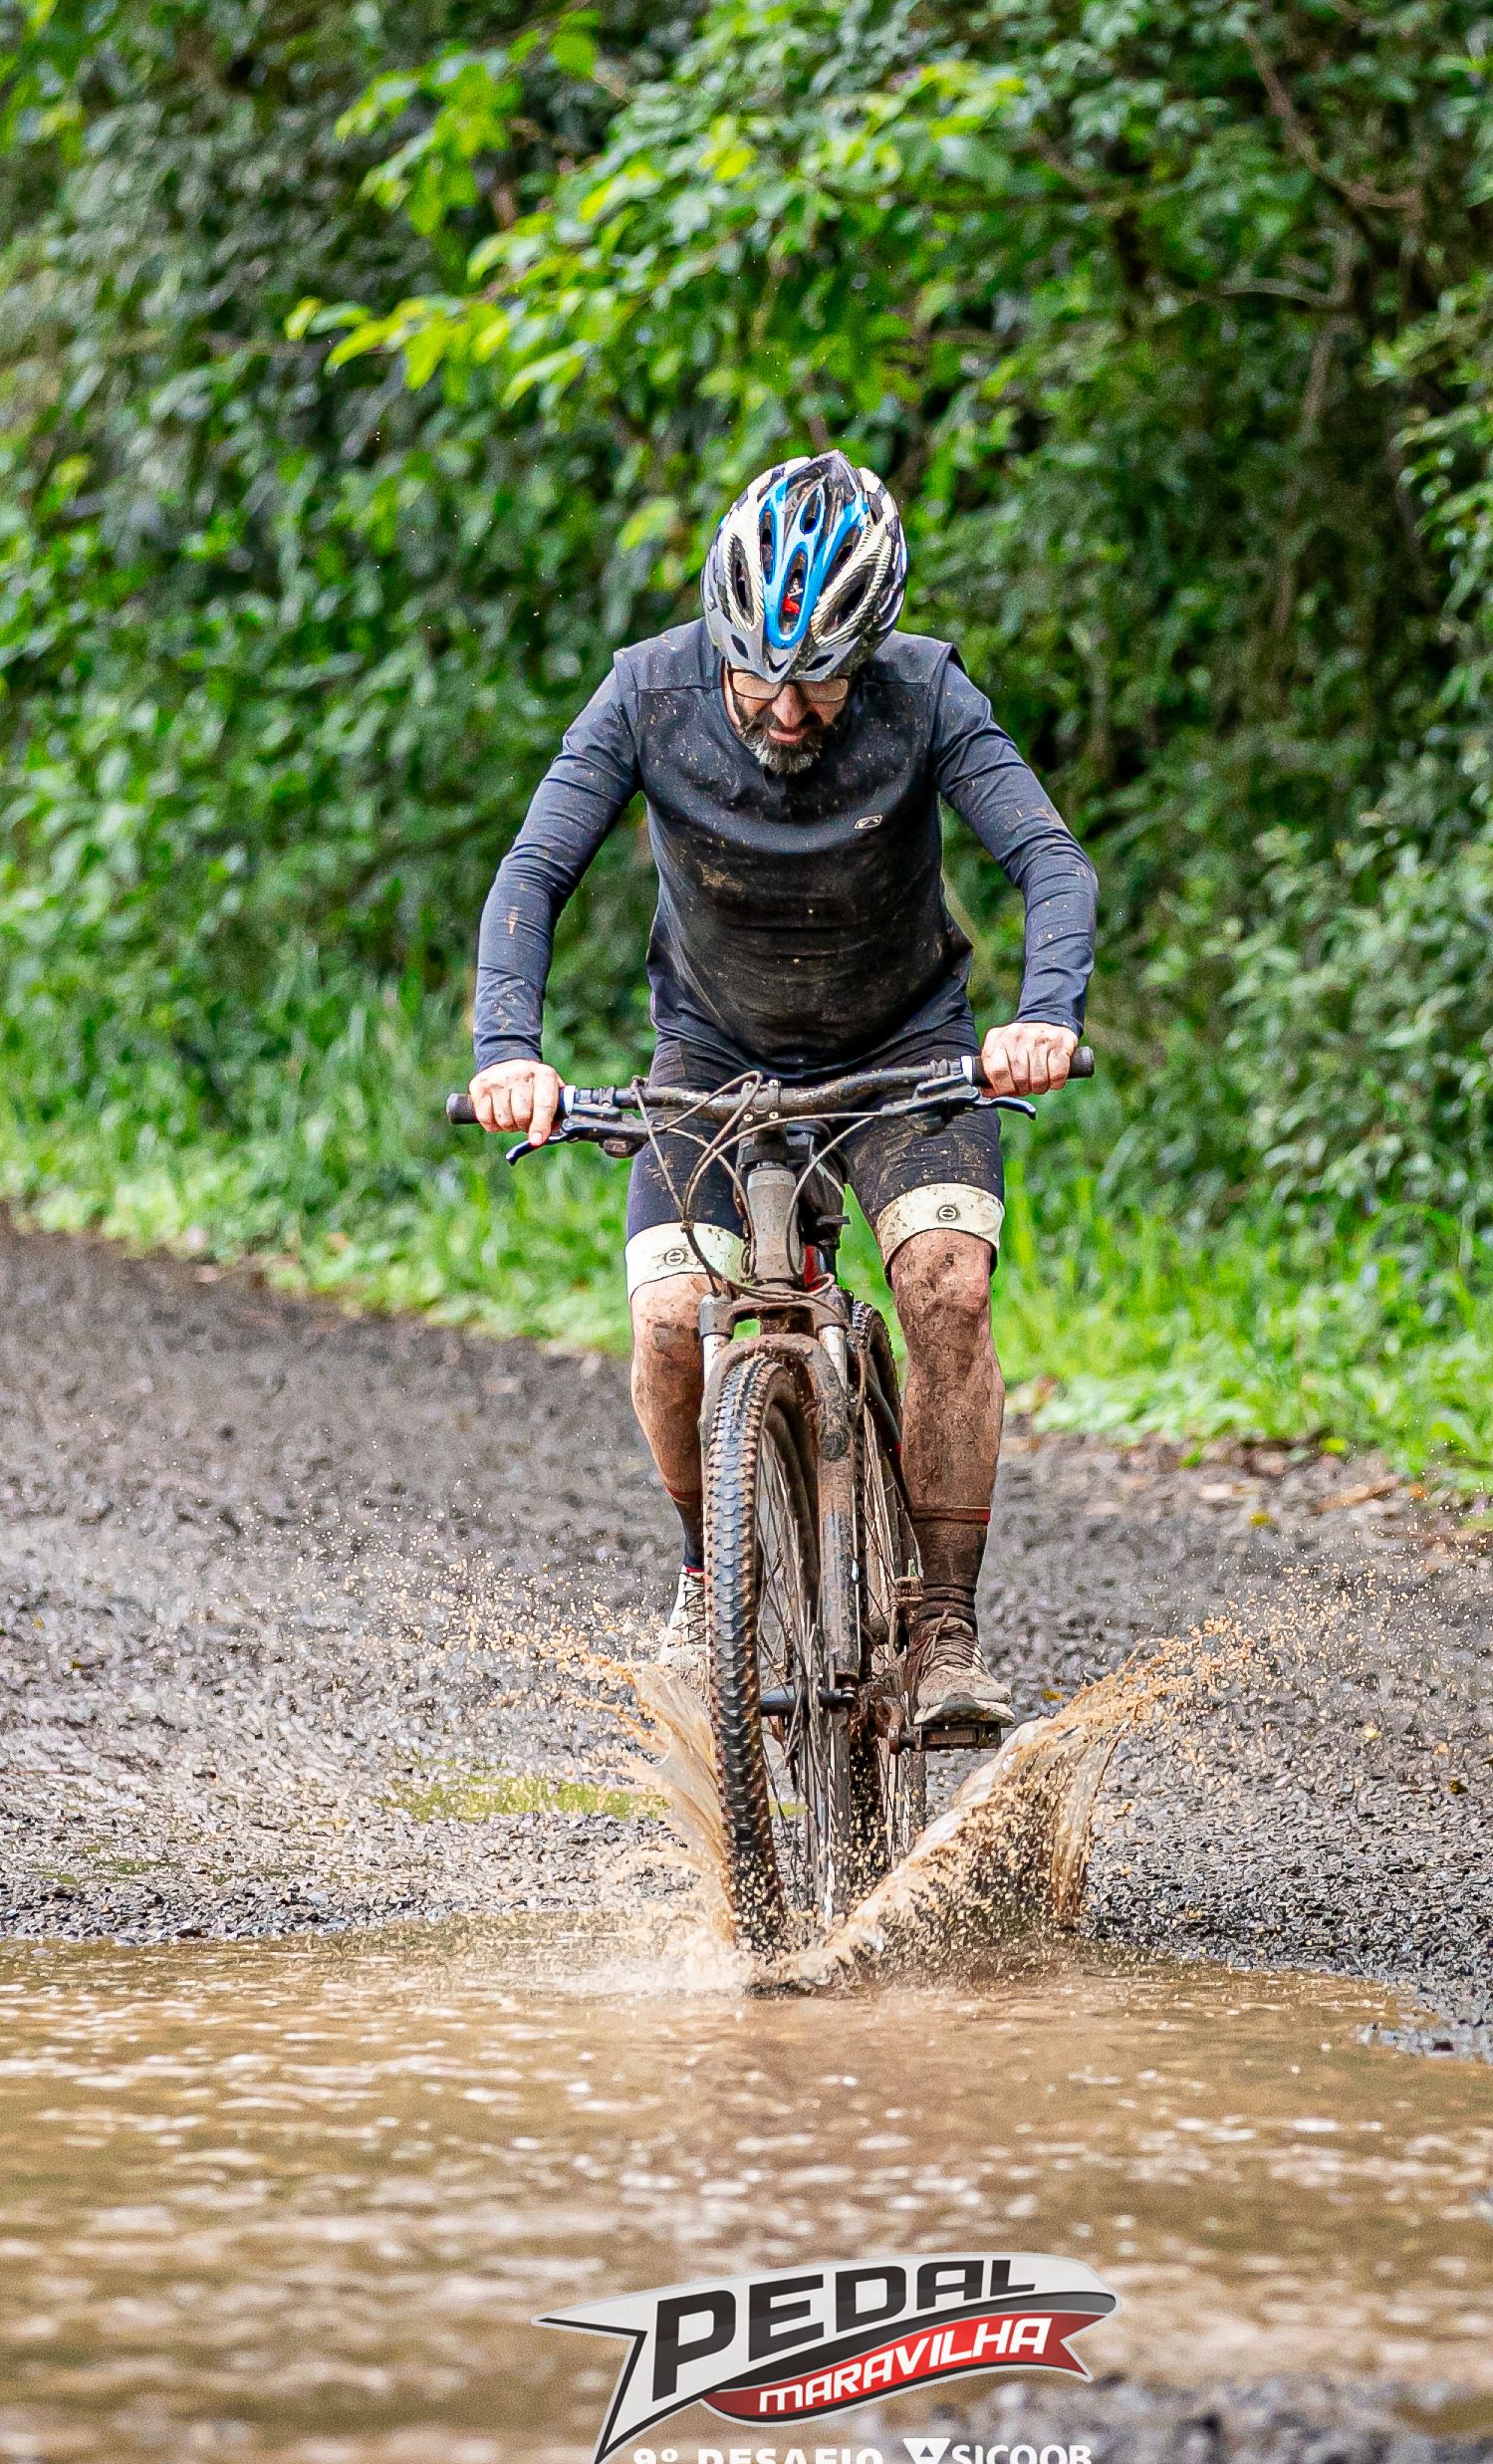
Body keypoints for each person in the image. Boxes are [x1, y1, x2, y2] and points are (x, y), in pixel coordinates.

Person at [465, 450, 1096, 1736]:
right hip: (712, 1057)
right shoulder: (647, 690)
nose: (791, 710)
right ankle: (710, 1582)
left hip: (908, 1048)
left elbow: (1048, 858)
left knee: (946, 1287)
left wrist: (1044, 1017)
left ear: (872, 652)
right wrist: (506, 1049)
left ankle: (942, 1628)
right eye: (761, 678)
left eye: (824, 681)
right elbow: (536, 868)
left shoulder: (926, 692)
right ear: (720, 636)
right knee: (669, 1319)